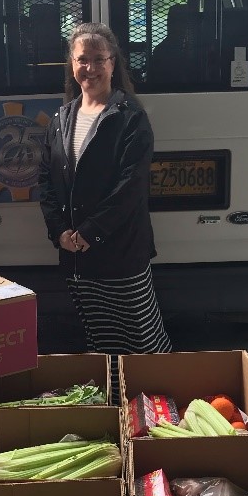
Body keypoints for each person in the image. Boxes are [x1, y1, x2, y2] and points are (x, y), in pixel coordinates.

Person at [38, 22, 171, 396]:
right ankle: (117, 403)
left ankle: (160, 402)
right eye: (83, 60)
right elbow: (45, 181)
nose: (90, 68)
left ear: (114, 64)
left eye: (99, 60)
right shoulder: (62, 118)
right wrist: (60, 233)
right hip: (77, 256)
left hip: (120, 252)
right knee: (101, 338)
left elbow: (130, 188)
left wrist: (90, 233)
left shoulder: (130, 117)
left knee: (142, 336)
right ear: (71, 64)